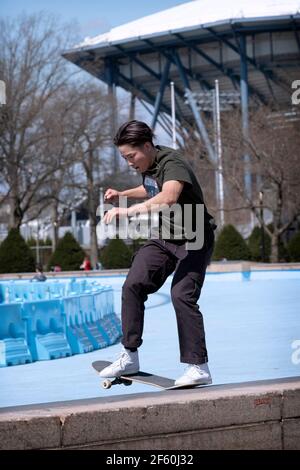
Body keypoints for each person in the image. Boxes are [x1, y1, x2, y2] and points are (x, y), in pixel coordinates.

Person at [100, 120, 216, 386]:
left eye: (132, 156)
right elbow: (151, 188)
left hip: (194, 240)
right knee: (132, 285)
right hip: (165, 238)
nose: (129, 162)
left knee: (181, 295)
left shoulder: (172, 163)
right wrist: (123, 194)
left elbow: (168, 196)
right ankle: (129, 355)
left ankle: (198, 367)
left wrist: (126, 212)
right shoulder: (149, 164)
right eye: (124, 158)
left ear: (148, 146)